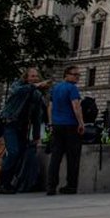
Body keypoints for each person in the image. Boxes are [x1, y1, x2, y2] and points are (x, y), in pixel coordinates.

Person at [0, 67, 50, 194]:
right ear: (26, 78)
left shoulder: (36, 95)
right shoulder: (18, 85)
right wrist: (35, 86)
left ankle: (7, 182)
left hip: (22, 127)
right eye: (32, 76)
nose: (34, 78)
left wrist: (36, 136)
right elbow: (17, 91)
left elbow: (37, 116)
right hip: (9, 124)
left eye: (36, 76)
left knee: (18, 154)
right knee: (13, 152)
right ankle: (2, 183)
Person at [46, 65, 86, 196]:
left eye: (78, 75)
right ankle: (71, 185)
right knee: (72, 157)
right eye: (75, 75)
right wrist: (81, 123)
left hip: (57, 126)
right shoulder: (72, 88)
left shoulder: (55, 88)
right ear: (66, 75)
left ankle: (51, 186)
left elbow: (50, 108)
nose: (77, 77)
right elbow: (76, 107)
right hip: (70, 125)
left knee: (55, 157)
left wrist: (51, 124)